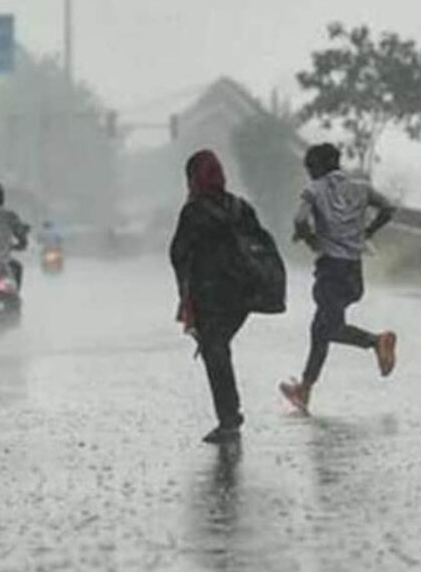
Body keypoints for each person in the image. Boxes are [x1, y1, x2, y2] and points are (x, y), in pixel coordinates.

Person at [279, 143, 397, 413]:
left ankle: (376, 341)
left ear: (318, 167)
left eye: (310, 169)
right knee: (320, 328)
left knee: (327, 328)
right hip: (354, 272)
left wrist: (311, 240)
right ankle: (304, 390)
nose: (310, 175)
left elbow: (299, 220)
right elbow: (389, 208)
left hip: (330, 270)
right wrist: (366, 232)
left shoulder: (314, 190)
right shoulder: (361, 187)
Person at [169, 149, 267, 444]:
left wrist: (184, 292)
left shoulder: (194, 211)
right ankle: (229, 417)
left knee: (215, 350)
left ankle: (229, 420)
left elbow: (178, 253)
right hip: (242, 295)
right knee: (219, 347)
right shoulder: (241, 207)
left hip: (210, 294)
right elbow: (260, 245)